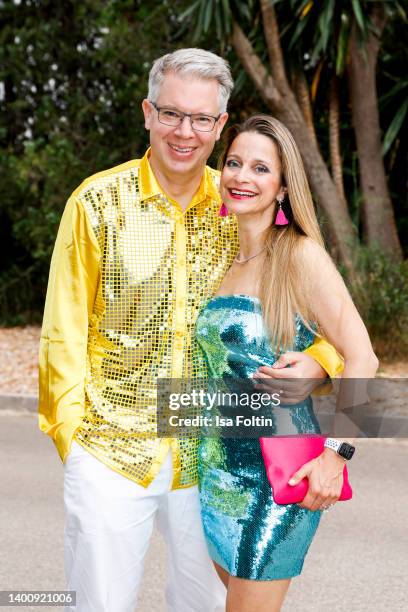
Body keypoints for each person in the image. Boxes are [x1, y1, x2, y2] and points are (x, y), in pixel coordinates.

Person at [38, 50, 344, 612]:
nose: (186, 132)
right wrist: (74, 439)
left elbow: (309, 316)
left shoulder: (238, 205)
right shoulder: (96, 204)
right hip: (112, 449)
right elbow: (62, 332)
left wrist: (322, 361)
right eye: (172, 114)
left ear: (221, 125)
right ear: (147, 113)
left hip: (213, 455)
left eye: (202, 119)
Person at [195, 114, 379, 612]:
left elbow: (363, 354)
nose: (241, 176)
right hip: (214, 475)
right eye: (234, 163)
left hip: (275, 478)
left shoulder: (299, 256)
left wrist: (337, 453)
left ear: (281, 188)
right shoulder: (222, 260)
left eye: (260, 168)